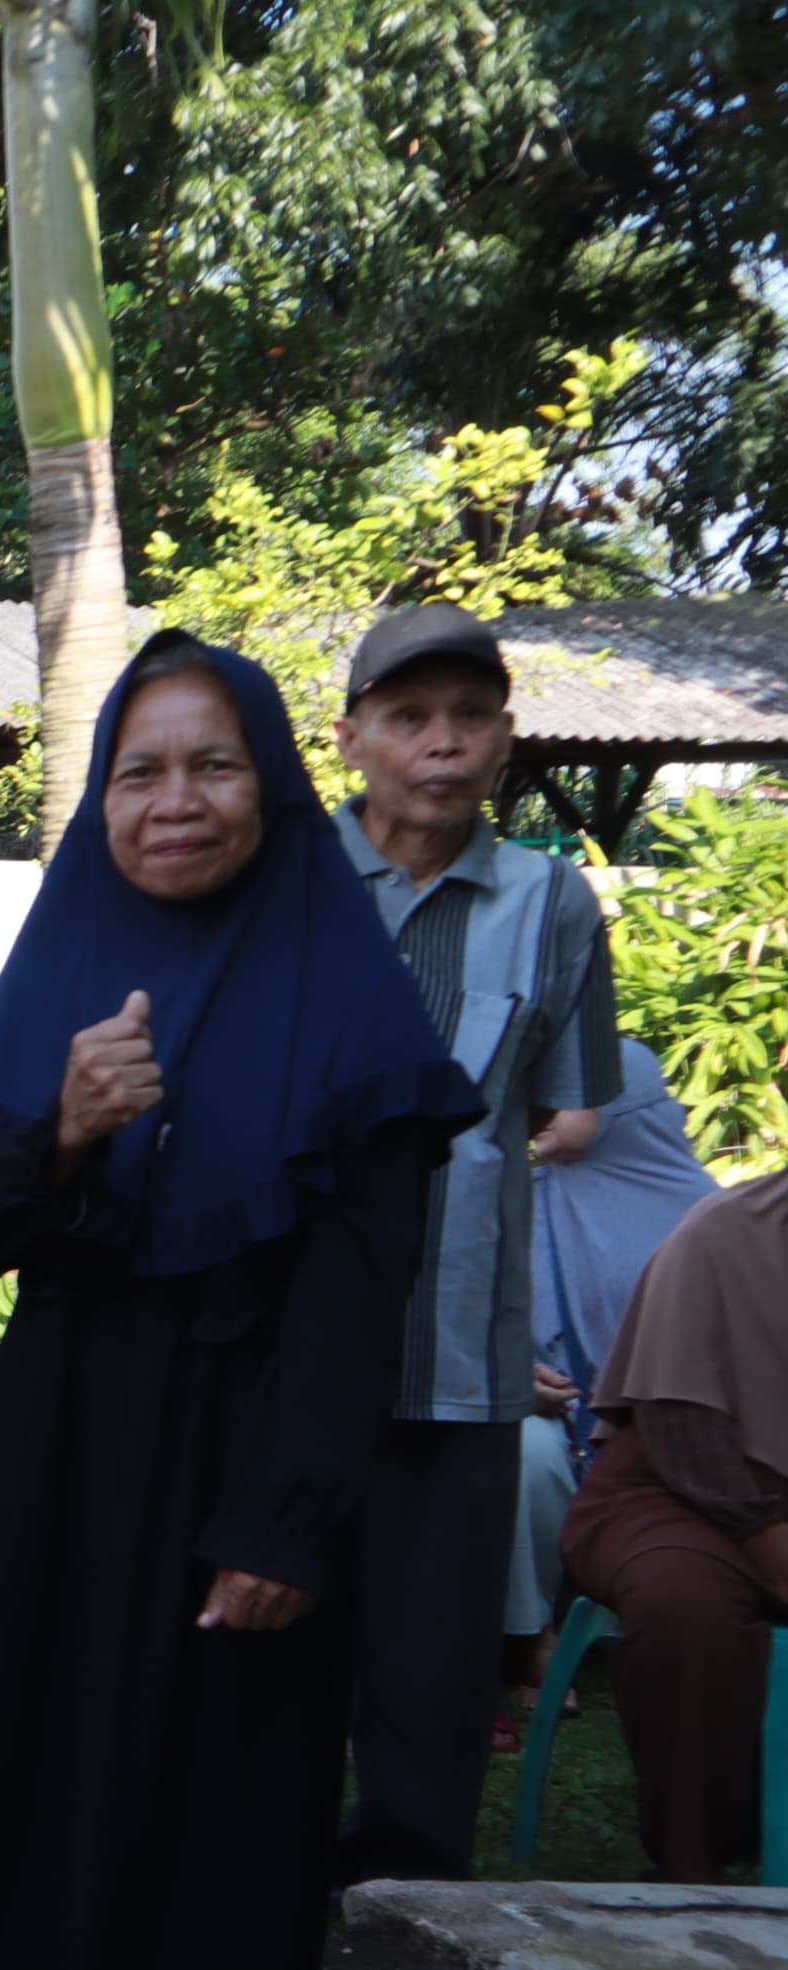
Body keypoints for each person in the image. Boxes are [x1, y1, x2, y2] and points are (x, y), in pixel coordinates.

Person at [0, 635, 479, 1970]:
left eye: (212, 765)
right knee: (22, 1800)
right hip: (65, 1446)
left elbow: (366, 1284)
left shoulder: (345, 985)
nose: (174, 801)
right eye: (140, 771)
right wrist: (62, 1131)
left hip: (249, 1447)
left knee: (212, 1826)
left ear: (277, 781)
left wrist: (288, 1517)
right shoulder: (67, 960)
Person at [327, 604, 623, 1878]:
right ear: (351, 741)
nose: (438, 745)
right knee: (263, 1603)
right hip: (287, 1317)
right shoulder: (285, 877)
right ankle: (247, 1854)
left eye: (466, 717)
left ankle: (405, 1884)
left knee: (431, 1630)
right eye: (408, 719)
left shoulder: (552, 902)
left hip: (457, 1326)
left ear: (504, 737)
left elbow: (568, 1104)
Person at [559, 1170, 787, 1881]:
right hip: (675, 1490)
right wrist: (773, 1545)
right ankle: (696, 1859)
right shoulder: (724, 1231)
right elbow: (681, 1420)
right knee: (683, 1607)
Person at [510, 1041, 715, 1684]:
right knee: (523, 1454)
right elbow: (457, 1319)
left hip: (667, 1428)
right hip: (549, 1418)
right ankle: (530, 1631)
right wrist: (509, 1376)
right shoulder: (502, 1202)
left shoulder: (706, 1216)